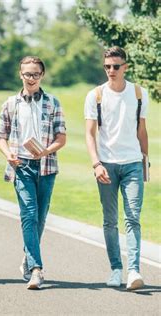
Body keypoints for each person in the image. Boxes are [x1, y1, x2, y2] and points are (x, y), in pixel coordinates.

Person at [0, 56, 66, 290]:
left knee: (40, 218)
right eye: (27, 74)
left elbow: (61, 137)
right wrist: (8, 154)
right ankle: (37, 269)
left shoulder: (53, 103)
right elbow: (1, 137)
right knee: (29, 215)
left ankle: (28, 256)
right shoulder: (10, 104)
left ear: (42, 76)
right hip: (21, 166)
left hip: (46, 167)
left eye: (36, 74)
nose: (31, 78)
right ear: (20, 75)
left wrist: (46, 150)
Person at [84, 46, 149, 290]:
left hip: (132, 163)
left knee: (133, 217)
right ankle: (116, 269)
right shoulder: (95, 95)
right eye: (107, 66)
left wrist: (145, 161)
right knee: (110, 220)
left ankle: (133, 270)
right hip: (106, 165)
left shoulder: (139, 93)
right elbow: (90, 134)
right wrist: (96, 163)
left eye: (116, 66)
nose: (111, 71)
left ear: (126, 67)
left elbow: (142, 130)